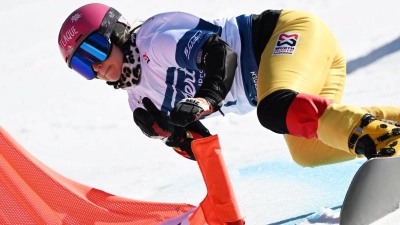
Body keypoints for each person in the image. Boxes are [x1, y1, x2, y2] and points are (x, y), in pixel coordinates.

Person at [58, 3, 400, 167]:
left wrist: (207, 99)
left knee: (275, 107)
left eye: (94, 49)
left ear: (116, 34)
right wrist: (178, 138)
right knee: (307, 152)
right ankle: (392, 129)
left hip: (287, 36)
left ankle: (381, 139)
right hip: (283, 75)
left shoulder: (151, 41)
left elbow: (221, 55)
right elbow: (203, 146)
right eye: (82, 65)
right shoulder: (139, 101)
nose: (97, 66)